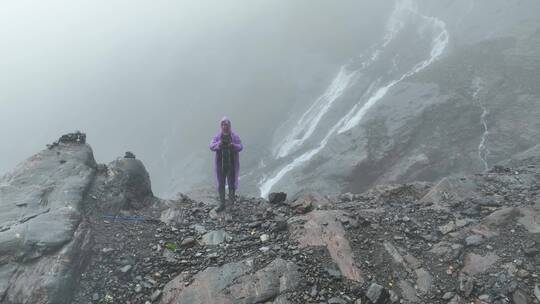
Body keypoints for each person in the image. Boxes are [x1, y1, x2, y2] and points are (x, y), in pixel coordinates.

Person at [209, 117, 243, 211]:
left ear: (229, 126)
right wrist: (218, 145)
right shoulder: (217, 136)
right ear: (221, 126)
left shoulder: (234, 136)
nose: (225, 127)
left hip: (231, 163)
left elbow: (240, 146)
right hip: (220, 163)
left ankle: (231, 204)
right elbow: (211, 146)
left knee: (231, 183)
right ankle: (222, 204)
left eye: (226, 125)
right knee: (221, 183)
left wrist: (233, 145)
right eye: (223, 125)